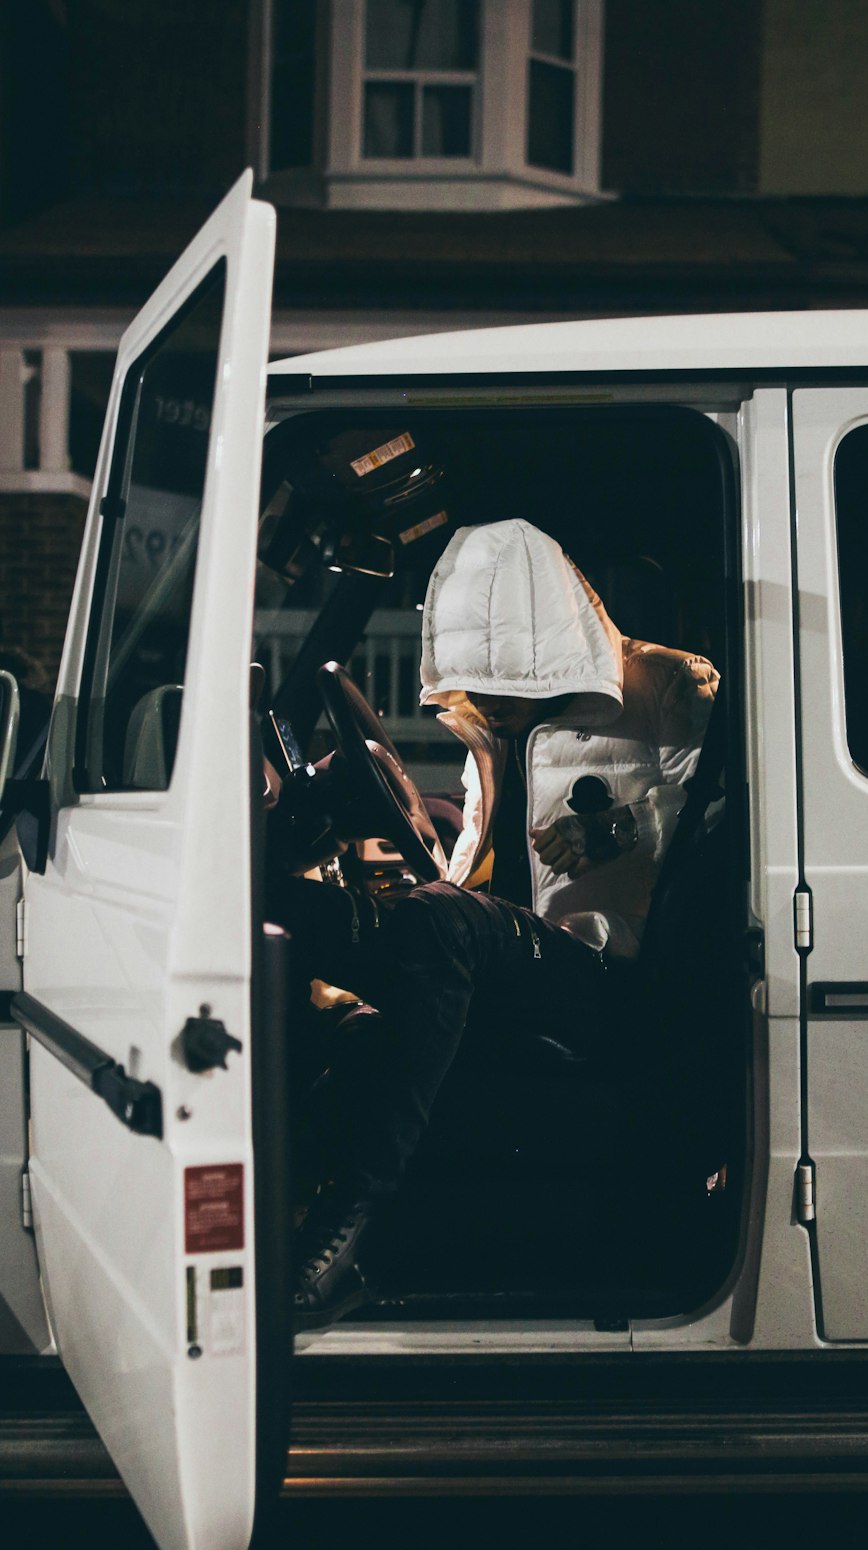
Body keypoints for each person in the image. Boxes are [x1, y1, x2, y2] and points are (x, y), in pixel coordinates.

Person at [271, 518, 719, 1328]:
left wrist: (611, 830)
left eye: (498, 676)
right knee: (340, 930)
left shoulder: (670, 687)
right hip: (527, 955)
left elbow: (716, 816)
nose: (482, 697)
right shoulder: (492, 725)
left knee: (439, 924)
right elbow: (488, 854)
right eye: (473, 677)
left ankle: (349, 1224)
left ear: (547, 649)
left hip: (612, 977)